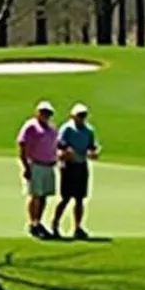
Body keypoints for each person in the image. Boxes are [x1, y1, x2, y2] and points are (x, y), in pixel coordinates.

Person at [52, 103, 99, 240]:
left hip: (81, 165)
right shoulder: (67, 129)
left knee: (80, 199)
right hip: (69, 166)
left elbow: (92, 146)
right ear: (73, 116)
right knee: (65, 198)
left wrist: (93, 152)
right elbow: (60, 145)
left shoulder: (89, 130)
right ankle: (55, 225)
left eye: (84, 115)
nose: (82, 118)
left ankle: (78, 227)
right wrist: (65, 152)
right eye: (79, 115)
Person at [17, 100, 59, 239]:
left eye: (48, 113)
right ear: (38, 113)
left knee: (44, 196)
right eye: (43, 113)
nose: (46, 115)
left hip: (49, 165)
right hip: (35, 164)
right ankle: (33, 223)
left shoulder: (52, 128)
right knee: (35, 195)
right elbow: (22, 145)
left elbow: (55, 146)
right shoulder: (31, 126)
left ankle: (39, 222)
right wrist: (26, 166)